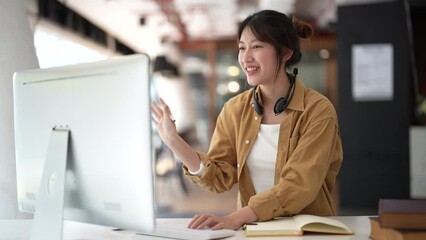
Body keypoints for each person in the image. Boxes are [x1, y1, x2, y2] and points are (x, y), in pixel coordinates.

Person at [151, 9, 343, 230]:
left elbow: (300, 184)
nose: (246, 57)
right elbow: (219, 177)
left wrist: (238, 217)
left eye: (257, 46)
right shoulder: (235, 109)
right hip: (253, 230)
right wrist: (174, 142)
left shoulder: (318, 110)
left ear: (286, 52)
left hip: (307, 231)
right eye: (242, 48)